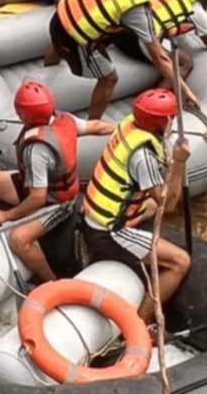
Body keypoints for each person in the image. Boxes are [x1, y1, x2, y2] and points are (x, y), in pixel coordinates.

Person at [0, 81, 116, 285]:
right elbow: (96, 126)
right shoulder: (65, 120)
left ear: (22, 114)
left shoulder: (35, 150)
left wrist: (6, 215)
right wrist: (121, 127)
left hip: (55, 202)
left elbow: (38, 198)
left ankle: (50, 282)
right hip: (42, 182)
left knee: (20, 241)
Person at [75, 87, 191, 318]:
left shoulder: (130, 123)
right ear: (164, 122)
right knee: (180, 262)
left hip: (98, 210)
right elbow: (168, 206)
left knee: (149, 205)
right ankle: (142, 321)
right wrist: (179, 163)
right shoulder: (143, 156)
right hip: (108, 230)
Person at [43, 0, 175, 121]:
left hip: (61, 15)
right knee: (109, 79)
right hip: (76, 37)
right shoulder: (136, 7)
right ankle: (93, 122)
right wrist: (185, 90)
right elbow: (160, 57)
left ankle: (46, 69)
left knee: (57, 44)